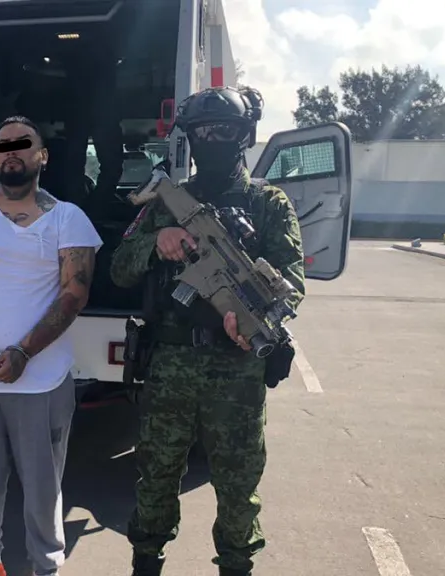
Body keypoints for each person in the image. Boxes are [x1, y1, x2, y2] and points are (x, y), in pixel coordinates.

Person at [109, 86, 306, 576]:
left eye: (224, 131)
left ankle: (237, 565)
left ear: (244, 136)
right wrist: (158, 240)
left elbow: (293, 282)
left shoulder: (268, 203)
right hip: (170, 366)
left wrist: (258, 314)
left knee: (239, 487)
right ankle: (146, 562)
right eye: (202, 132)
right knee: (155, 475)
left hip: (237, 370)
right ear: (190, 138)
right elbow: (119, 268)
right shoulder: (168, 203)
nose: (212, 140)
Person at [0, 116, 103, 576]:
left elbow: (74, 293)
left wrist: (24, 351)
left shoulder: (69, 219)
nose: (12, 151)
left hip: (40, 383)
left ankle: (45, 566)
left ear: (41, 156)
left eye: (22, 143)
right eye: (2, 145)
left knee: (43, 490)